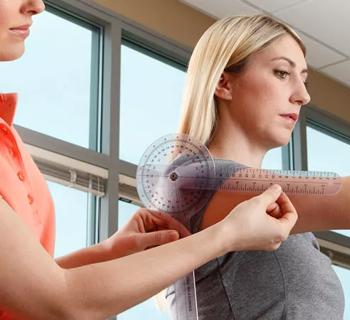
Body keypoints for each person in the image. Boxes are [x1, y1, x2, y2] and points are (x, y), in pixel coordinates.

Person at [0, 2, 300, 319]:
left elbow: (23, 292)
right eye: (281, 73)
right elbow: (59, 302)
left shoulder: (8, 135)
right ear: (222, 83)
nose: (37, 5)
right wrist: (226, 235)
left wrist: (109, 252)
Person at [172, 14, 350, 319]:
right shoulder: (196, 181)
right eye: (282, 73)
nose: (303, 95)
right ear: (223, 82)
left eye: (304, 79)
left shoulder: (287, 221)